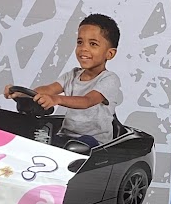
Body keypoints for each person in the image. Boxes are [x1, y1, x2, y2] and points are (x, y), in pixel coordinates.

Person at [10, 15, 122, 149]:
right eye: (80, 42)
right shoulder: (72, 75)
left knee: (76, 146)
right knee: (35, 137)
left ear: (110, 54)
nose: (83, 48)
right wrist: (22, 94)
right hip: (66, 135)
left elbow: (87, 101)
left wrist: (56, 99)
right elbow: (49, 89)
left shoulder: (109, 79)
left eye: (93, 44)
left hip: (95, 142)